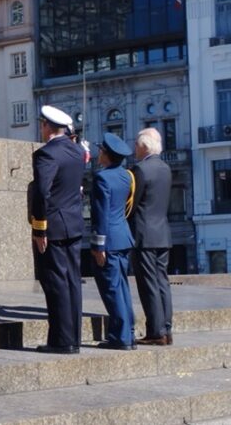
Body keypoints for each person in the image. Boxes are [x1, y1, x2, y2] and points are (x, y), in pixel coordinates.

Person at [31, 105, 85, 354]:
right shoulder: (76, 152)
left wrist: (39, 228)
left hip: (53, 227)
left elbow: (42, 192)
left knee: (55, 283)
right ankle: (73, 337)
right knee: (72, 281)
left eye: (42, 124)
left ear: (46, 127)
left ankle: (61, 340)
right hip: (74, 224)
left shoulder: (46, 154)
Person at [90, 133, 136, 350]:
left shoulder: (101, 178)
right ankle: (130, 332)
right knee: (123, 288)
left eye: (101, 151)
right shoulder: (127, 176)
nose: (99, 154)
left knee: (112, 289)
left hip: (108, 240)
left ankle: (120, 336)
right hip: (123, 238)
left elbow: (101, 214)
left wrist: (99, 245)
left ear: (106, 155)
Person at [129, 127, 173, 346]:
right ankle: (166, 328)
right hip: (162, 234)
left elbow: (132, 204)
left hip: (143, 235)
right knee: (162, 282)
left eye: (136, 145)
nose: (134, 148)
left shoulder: (140, 169)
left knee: (148, 285)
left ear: (144, 146)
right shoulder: (165, 168)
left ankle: (155, 331)